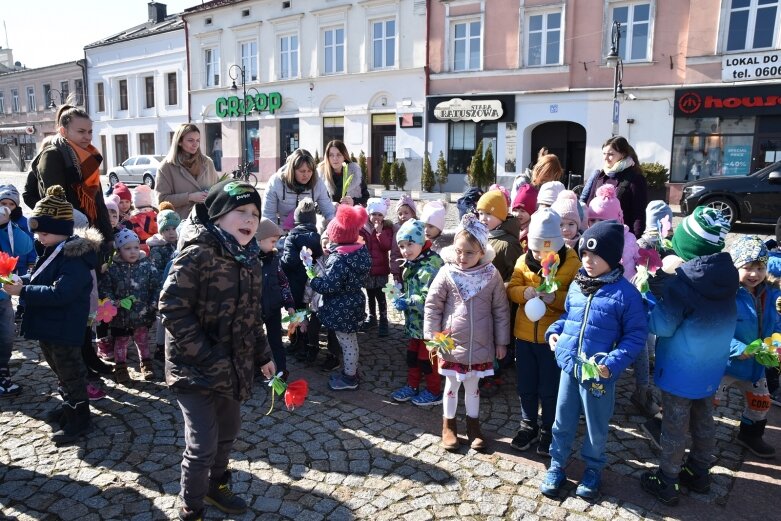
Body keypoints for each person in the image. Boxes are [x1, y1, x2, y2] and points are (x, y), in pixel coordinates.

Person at [159, 179, 274, 520]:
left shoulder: (251, 259)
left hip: (232, 367)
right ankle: (190, 507)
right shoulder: (199, 252)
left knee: (229, 432)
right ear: (218, 216)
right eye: (241, 211)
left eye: (255, 213)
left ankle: (216, 486)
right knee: (202, 445)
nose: (250, 220)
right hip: (193, 370)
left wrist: (263, 355)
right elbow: (171, 307)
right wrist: (205, 356)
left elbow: (252, 315)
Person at [541, 221, 647, 501]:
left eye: (595, 256)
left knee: (595, 426)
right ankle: (557, 465)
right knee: (561, 421)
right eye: (584, 254)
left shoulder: (626, 294)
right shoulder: (577, 286)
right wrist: (555, 332)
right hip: (569, 367)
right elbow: (568, 318)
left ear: (612, 259)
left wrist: (612, 362)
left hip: (598, 374)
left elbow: (636, 336)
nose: (587, 260)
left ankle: (593, 468)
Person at [640, 207, 738, 506]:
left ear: (687, 247)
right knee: (704, 420)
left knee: (674, 425)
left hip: (681, 371)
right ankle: (699, 472)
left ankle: (667, 481)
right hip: (710, 369)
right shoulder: (727, 279)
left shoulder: (684, 286)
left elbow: (661, 325)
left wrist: (648, 294)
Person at [4, 186, 102, 444]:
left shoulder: (74, 257)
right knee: (58, 369)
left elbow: (61, 294)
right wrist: (21, 279)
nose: (39, 237)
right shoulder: (53, 248)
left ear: (62, 231)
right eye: (37, 232)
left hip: (64, 326)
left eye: (44, 232)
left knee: (71, 371)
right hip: (50, 325)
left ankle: (80, 417)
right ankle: (69, 407)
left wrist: (24, 290)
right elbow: (40, 277)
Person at [424, 214, 510, 452]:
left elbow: (500, 309)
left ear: (482, 251)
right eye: (459, 251)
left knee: (473, 388)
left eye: (469, 253)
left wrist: (502, 342)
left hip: (481, 344)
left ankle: (474, 426)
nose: (462, 257)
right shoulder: (447, 272)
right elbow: (433, 305)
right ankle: (448, 426)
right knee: (451, 385)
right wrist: (433, 337)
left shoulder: (491, 275)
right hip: (451, 343)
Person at [507, 208, 580, 456]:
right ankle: (528, 424)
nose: (538, 256)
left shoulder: (571, 263)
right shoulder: (523, 261)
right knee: (526, 384)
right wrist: (523, 293)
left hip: (552, 339)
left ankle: (549, 428)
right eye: (534, 250)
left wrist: (555, 298)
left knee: (549, 387)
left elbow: (576, 298)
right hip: (524, 335)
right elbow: (512, 288)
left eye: (543, 251)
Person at [715, 236, 779, 458]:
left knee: (760, 402)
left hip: (756, 366)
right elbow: (717, 330)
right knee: (708, 400)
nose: (755, 274)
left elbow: (775, 324)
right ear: (735, 267)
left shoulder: (771, 294)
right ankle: (694, 430)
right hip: (726, 364)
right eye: (748, 267)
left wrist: (776, 344)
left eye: (760, 267)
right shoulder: (726, 295)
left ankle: (750, 435)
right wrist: (738, 349)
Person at [23, 104, 113, 241]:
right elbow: (56, 200)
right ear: (64, 131)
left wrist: (108, 237)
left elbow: (98, 202)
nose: (87, 137)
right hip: (66, 235)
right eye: (81, 131)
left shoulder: (90, 157)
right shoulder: (52, 154)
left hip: (92, 232)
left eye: (90, 132)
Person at [310, 204, 371, 391]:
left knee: (347, 342)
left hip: (341, 306)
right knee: (350, 340)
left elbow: (330, 285)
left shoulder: (339, 260)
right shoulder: (360, 252)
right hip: (355, 301)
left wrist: (314, 280)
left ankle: (350, 377)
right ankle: (351, 371)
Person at [391, 219, 445, 406]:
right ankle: (412, 385)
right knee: (412, 356)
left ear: (421, 241)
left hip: (431, 324)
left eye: (410, 244)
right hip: (416, 323)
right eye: (402, 246)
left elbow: (431, 297)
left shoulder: (431, 264)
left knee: (428, 359)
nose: (406, 250)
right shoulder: (412, 262)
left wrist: (408, 301)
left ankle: (434, 391)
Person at [99, 229, 160, 383]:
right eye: (127, 248)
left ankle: (146, 364)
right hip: (120, 316)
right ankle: (121, 367)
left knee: (143, 340)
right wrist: (113, 303)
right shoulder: (112, 268)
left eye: (135, 247)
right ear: (119, 250)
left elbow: (156, 287)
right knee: (120, 342)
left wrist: (153, 304)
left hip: (142, 313)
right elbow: (105, 288)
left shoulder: (147, 266)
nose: (133, 252)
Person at [280, 198, 324, 362]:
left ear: (296, 220)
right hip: (312, 284)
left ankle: (300, 343)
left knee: (298, 314)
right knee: (311, 315)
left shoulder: (292, 237)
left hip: (296, 284)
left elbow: (289, 261)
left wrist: (280, 264)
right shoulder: (318, 237)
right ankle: (310, 344)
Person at [580, 136, 648, 239]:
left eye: (611, 154)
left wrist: (634, 239)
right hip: (595, 235)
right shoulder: (600, 175)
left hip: (621, 237)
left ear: (623, 154)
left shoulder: (635, 178)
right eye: (604, 154)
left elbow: (638, 214)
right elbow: (588, 203)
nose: (606, 158)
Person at [0, 204, 34, 397]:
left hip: (2, 295)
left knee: (6, 335)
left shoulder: (7, 228)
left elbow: (25, 246)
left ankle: (3, 369)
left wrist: (7, 225)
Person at [257, 218, 296, 380]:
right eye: (272, 241)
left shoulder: (274, 259)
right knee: (255, 342)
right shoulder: (249, 260)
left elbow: (283, 282)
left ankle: (281, 371)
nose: (275, 245)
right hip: (255, 311)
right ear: (259, 240)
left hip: (273, 309)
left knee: (276, 342)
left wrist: (289, 304)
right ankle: (257, 369)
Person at [155, 123, 220, 220]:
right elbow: (162, 200)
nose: (195, 144)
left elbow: (218, 189)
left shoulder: (207, 162)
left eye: (198, 140)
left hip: (208, 221)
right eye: (190, 140)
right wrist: (189, 197)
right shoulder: (166, 167)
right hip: (181, 223)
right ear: (179, 142)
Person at [263, 148, 336, 232]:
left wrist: (331, 229)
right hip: (282, 231)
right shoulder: (276, 182)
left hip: (307, 231)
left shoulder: (318, 183)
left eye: (309, 171)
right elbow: (268, 215)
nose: (306, 175)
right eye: (302, 171)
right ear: (292, 170)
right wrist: (275, 237)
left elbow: (329, 211)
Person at [359, 198, 401, 337]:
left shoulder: (387, 229)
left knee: (380, 295)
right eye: (374, 214)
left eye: (380, 215)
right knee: (370, 294)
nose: (376, 217)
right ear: (368, 214)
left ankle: (383, 319)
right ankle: (372, 317)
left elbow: (387, 246)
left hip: (381, 269)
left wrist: (379, 233)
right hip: (367, 269)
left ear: (384, 216)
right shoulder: (363, 228)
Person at [147, 202, 181, 361]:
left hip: (179, 288)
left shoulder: (180, 244)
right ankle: (160, 347)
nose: (171, 232)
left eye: (174, 228)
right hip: (164, 288)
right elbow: (156, 271)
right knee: (162, 320)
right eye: (167, 229)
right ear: (161, 230)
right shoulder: (158, 248)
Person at [586, 184, 639, 281]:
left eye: (602, 221)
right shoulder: (588, 241)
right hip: (602, 288)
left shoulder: (629, 238)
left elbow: (638, 259)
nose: (597, 225)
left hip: (627, 285)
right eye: (592, 220)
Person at [476, 190, 522, 282]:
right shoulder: (480, 235)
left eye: (488, 213)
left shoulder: (509, 244)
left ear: (501, 215)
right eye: (481, 213)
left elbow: (516, 275)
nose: (483, 218)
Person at [318, 140, 364, 206]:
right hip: (330, 216)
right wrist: (329, 205)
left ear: (344, 156)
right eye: (331, 155)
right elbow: (314, 203)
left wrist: (354, 202)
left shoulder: (355, 172)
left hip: (350, 214)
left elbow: (366, 199)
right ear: (327, 157)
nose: (335, 158)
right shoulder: (320, 175)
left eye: (338, 155)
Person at [510, 183, 537, 253]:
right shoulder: (511, 228)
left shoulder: (533, 232)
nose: (518, 214)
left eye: (523, 211)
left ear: (532, 213)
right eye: (515, 210)